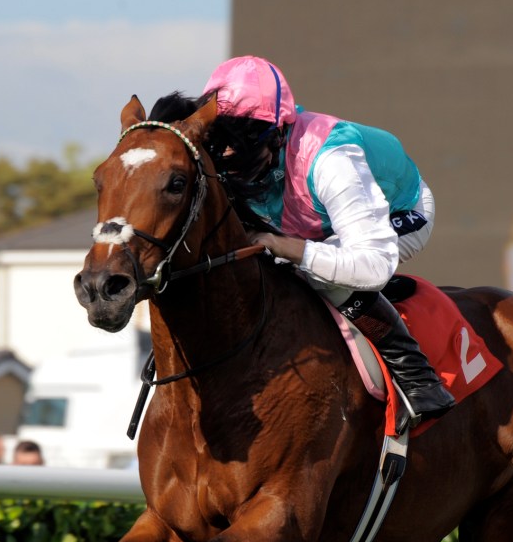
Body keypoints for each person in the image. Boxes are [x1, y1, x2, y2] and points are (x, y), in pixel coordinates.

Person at [174, 55, 455, 426]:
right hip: (316, 224)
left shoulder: (331, 158)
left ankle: (417, 377)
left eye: (240, 149)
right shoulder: (235, 147)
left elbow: (372, 266)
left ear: (276, 132)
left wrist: (290, 248)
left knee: (319, 272)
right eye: (221, 145)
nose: (228, 159)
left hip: (398, 213)